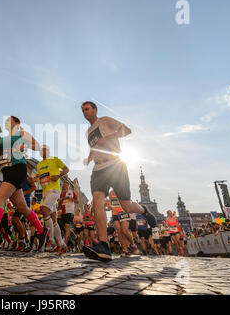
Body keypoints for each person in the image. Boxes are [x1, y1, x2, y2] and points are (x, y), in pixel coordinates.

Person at [81, 101, 157, 262]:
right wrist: (89, 157)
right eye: (82, 110)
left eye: (87, 109)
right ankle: (103, 245)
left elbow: (127, 130)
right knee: (98, 200)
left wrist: (108, 137)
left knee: (126, 205)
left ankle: (144, 210)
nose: (84, 112)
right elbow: (94, 148)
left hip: (115, 166)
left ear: (95, 110)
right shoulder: (88, 132)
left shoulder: (105, 121)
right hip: (98, 170)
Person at [0, 116, 49, 250]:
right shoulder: (3, 139)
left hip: (17, 168)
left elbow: (37, 146)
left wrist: (24, 145)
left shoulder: (20, 133)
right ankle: (41, 231)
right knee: (22, 207)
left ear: (17, 123)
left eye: (9, 120)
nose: (6, 122)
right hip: (7, 171)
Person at [36, 145, 69, 254]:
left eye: (44, 150)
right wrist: (33, 179)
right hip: (45, 192)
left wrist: (58, 176)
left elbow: (66, 169)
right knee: (53, 219)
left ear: (49, 151)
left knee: (45, 210)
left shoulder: (55, 159)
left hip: (54, 190)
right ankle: (61, 244)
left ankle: (51, 241)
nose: (42, 152)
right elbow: (38, 176)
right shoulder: (39, 164)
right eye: (41, 150)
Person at [59, 183, 79, 252]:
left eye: (66, 185)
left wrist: (72, 199)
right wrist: (60, 200)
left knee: (67, 228)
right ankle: (75, 237)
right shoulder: (62, 194)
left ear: (68, 186)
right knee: (65, 229)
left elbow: (77, 201)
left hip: (70, 212)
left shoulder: (72, 192)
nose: (64, 186)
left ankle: (64, 245)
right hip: (63, 212)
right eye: (63, 185)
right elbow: (59, 203)